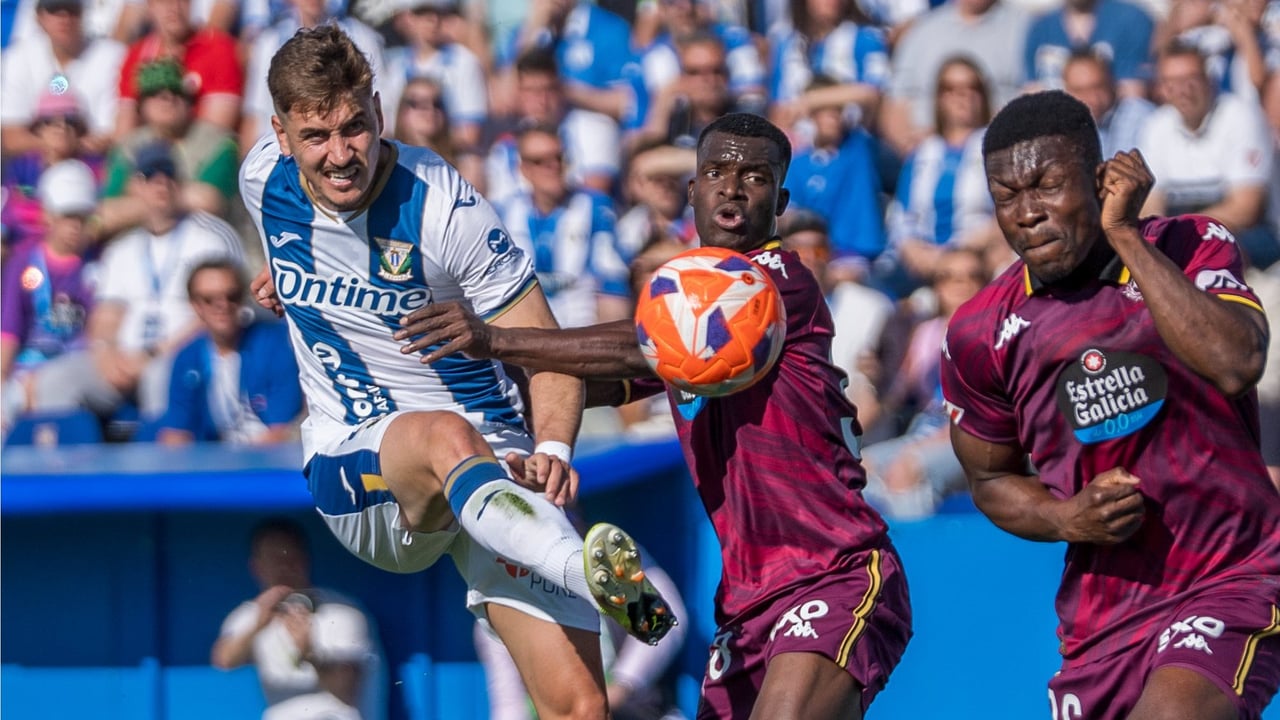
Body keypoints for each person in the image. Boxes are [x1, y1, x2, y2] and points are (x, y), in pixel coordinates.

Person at [393, 112, 913, 719]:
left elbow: (637, 342)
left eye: (755, 176)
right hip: (747, 605)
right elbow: (580, 381)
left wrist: (497, 339)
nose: (733, 187)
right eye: (716, 171)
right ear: (692, 191)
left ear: (781, 199)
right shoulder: (685, 326)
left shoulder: (773, 284)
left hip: (833, 571)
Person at [240, 25, 675, 720]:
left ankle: (571, 558)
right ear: (281, 135)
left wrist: (555, 451)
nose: (342, 154)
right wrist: (283, 283)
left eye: (356, 127)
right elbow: (298, 254)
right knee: (443, 434)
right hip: (360, 465)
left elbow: (543, 345)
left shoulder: (444, 206)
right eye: (316, 136)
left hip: (492, 469)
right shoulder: (262, 180)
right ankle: (589, 575)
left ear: (379, 111)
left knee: (581, 707)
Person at [941, 89, 1280, 719]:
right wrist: (1067, 519)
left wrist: (1122, 233)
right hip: (1104, 622)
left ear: (1100, 179)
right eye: (1007, 197)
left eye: (1045, 186)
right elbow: (991, 480)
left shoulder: (1190, 243)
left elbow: (1237, 363)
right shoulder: (978, 330)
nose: (1028, 214)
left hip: (1235, 571)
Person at [212, 517, 387, 720]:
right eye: (274, 560)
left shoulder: (342, 612)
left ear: (305, 560)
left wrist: (309, 653)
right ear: (256, 567)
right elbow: (224, 660)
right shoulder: (254, 614)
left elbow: (345, 690)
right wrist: (258, 625)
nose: (283, 568)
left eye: (289, 559)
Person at [151, 259, 302, 445]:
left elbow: (282, 431)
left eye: (232, 296)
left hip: (268, 462)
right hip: (215, 464)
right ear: (195, 304)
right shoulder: (187, 357)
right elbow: (175, 433)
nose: (222, 305)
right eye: (209, 299)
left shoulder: (274, 345)